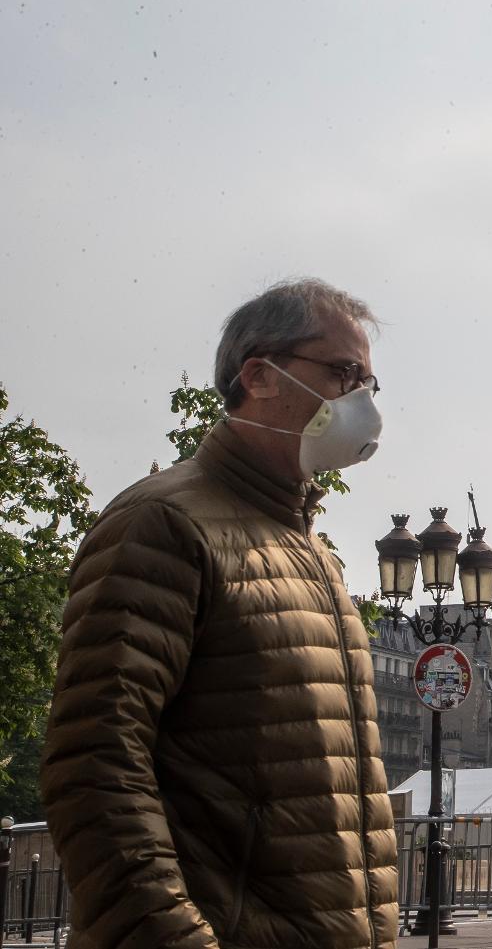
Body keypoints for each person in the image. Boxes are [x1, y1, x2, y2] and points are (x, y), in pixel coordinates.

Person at [41, 279, 398, 948]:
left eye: (369, 385)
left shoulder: (311, 551)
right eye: (343, 372)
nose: (361, 401)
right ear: (259, 375)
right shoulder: (163, 523)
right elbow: (94, 764)